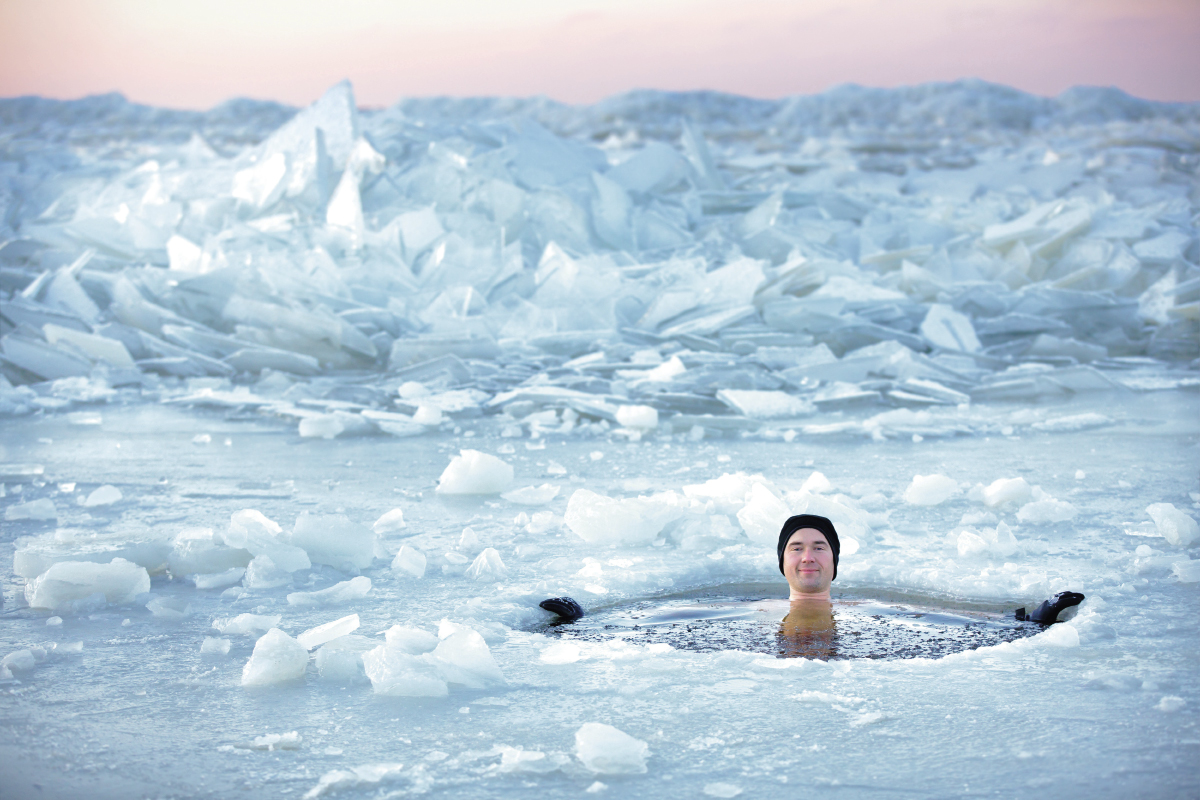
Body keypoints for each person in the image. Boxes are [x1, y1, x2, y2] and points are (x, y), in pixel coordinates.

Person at [775, 514, 841, 658]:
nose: (808, 558)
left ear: (833, 560)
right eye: (797, 549)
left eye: (818, 548)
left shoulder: (871, 612)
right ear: (783, 561)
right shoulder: (760, 612)